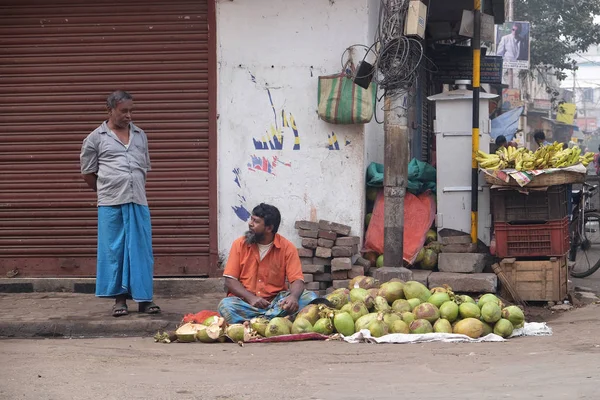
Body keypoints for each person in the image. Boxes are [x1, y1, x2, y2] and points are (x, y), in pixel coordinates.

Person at [80, 90, 159, 317]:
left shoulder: (140, 135)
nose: (128, 115)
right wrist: (106, 190)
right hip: (111, 204)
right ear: (110, 110)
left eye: (131, 111)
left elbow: (144, 168)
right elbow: (87, 172)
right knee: (116, 252)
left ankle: (145, 300)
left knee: (141, 251)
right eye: (123, 111)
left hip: (138, 201)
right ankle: (120, 300)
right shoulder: (95, 138)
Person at [218, 203, 317, 324]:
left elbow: (297, 280)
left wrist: (293, 297)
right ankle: (276, 320)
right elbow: (230, 280)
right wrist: (251, 298)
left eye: (256, 221)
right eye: (251, 219)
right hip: (246, 302)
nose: (250, 223)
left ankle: (256, 321)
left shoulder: (287, 247)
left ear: (269, 228)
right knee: (225, 306)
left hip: (276, 302)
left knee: (310, 298)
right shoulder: (239, 244)